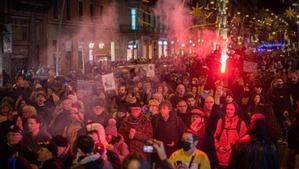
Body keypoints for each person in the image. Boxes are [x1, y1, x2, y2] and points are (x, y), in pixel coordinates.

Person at [214, 102, 247, 168]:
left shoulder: (240, 123)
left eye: (231, 109)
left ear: (236, 110)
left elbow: (243, 140)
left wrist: (230, 146)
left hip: (234, 157)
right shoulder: (221, 121)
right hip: (220, 156)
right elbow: (216, 136)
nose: (229, 111)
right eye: (227, 109)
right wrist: (218, 147)